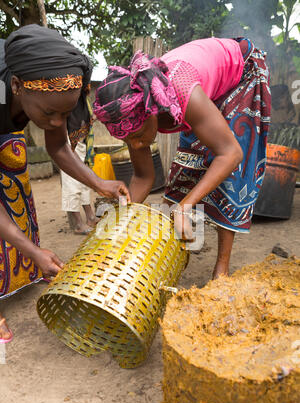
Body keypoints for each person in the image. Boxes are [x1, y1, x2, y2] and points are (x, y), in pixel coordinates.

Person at [93, 37, 271, 279]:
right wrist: (118, 225)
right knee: (188, 161)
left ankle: (222, 269)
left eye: (135, 136)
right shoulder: (135, 113)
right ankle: (166, 245)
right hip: (199, 88)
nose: (134, 144)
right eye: (126, 140)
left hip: (241, 72)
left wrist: (185, 207)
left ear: (151, 112)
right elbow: (144, 177)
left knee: (230, 169)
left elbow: (231, 154)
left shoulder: (183, 95)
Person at [0, 24, 130, 343]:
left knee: (14, 189)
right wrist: (33, 251)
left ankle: (21, 273)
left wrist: (100, 183)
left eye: (66, 114)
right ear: (16, 86)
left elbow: (58, 147)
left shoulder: (48, 93)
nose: (58, 123)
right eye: (49, 114)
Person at [61, 105, 98, 235]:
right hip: (70, 137)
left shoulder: (81, 94)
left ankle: (90, 217)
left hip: (80, 139)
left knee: (84, 179)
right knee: (71, 181)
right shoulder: (67, 89)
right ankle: (77, 224)